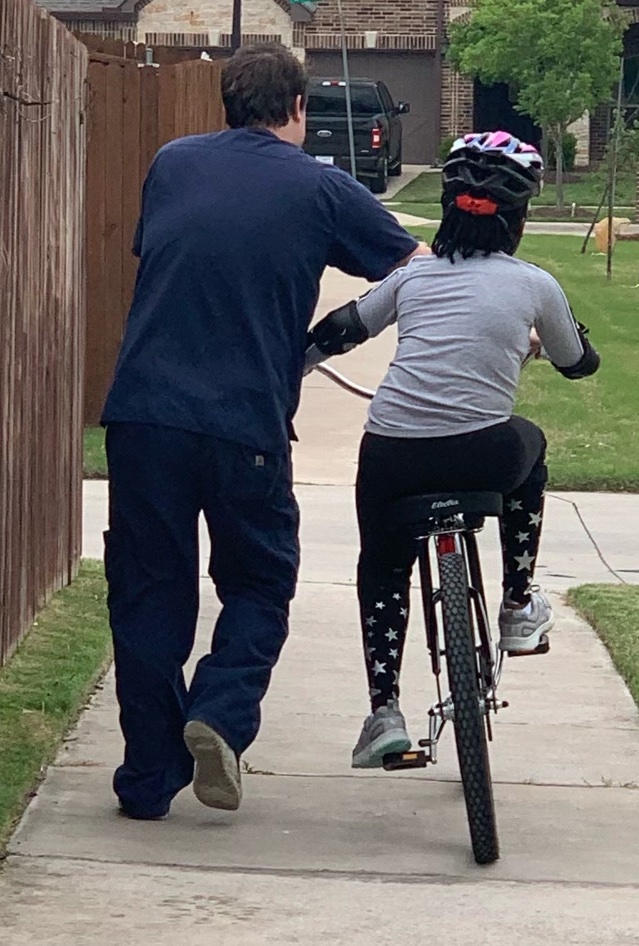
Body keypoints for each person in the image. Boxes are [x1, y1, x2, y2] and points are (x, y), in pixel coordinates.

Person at [101, 43, 428, 820]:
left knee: (148, 594)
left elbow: (168, 253)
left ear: (226, 99)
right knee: (259, 580)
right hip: (244, 421)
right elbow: (413, 266)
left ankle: (148, 783)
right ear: (298, 108)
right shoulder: (321, 186)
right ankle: (219, 711)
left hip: (143, 415)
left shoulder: (173, 163)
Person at [304, 131, 600, 769]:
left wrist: (291, 366)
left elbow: (342, 329)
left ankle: (384, 709)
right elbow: (579, 363)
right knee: (531, 443)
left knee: (382, 569)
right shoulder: (534, 284)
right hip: (481, 455)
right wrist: (549, 346)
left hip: (392, 455)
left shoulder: (412, 277)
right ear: (519, 219)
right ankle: (519, 604)